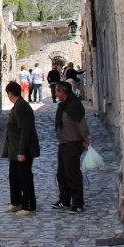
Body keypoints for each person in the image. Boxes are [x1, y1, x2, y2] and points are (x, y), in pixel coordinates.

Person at [3, 82, 41, 216]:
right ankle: (16, 202)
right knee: (14, 177)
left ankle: (29, 206)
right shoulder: (17, 106)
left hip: (21, 150)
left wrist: (21, 152)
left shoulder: (21, 107)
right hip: (14, 150)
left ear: (10, 93)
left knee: (24, 178)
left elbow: (26, 130)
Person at [52, 81, 89, 214]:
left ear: (63, 92)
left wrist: (85, 141)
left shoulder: (74, 106)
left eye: (57, 91)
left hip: (73, 143)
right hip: (63, 143)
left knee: (72, 174)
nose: (56, 93)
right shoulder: (63, 106)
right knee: (61, 174)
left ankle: (78, 202)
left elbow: (82, 125)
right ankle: (64, 199)